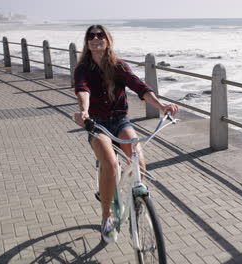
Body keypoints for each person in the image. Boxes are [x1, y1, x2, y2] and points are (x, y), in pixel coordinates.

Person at [73, 25, 178, 243]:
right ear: (87, 42)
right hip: (97, 123)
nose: (96, 38)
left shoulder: (119, 66)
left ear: (107, 40)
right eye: (91, 36)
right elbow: (83, 89)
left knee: (137, 155)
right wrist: (83, 111)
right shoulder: (83, 68)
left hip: (120, 120)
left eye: (100, 35)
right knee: (110, 164)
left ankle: (138, 202)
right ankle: (106, 217)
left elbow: (140, 87)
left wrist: (162, 107)